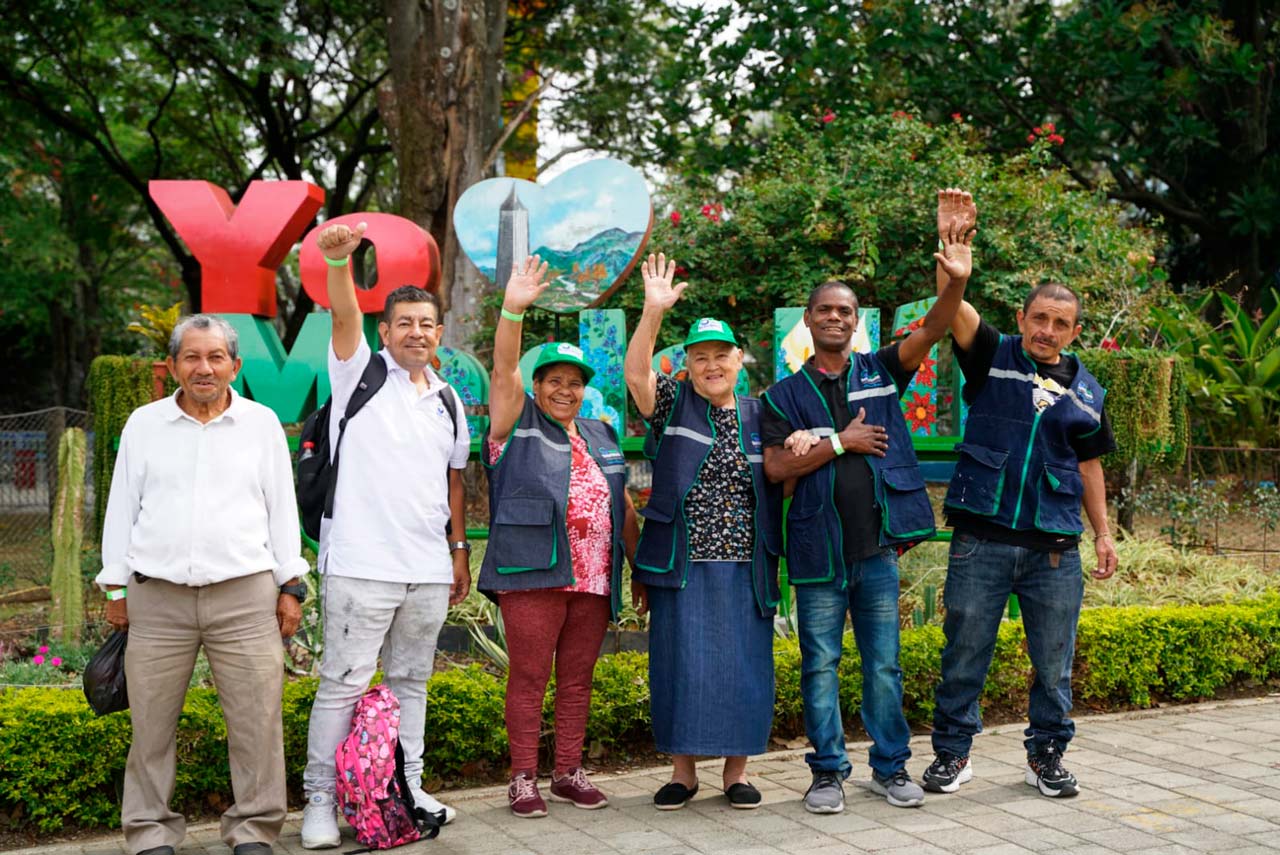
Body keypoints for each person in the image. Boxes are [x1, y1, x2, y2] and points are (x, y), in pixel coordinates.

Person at [760, 194, 975, 814]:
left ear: (857, 323)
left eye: (845, 311)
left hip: (877, 552)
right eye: (825, 309)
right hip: (816, 554)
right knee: (819, 667)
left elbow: (935, 327)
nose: (835, 317)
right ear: (808, 320)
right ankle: (827, 772)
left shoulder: (882, 371)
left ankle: (890, 768)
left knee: (884, 667)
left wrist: (956, 279)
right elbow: (776, 466)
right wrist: (839, 441)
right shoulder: (781, 396)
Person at [923, 190, 1118, 800]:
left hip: (1055, 549)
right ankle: (953, 756)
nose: (1047, 330)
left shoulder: (1088, 393)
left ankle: (1046, 756)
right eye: (1039, 318)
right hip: (981, 541)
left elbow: (1089, 466)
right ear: (1024, 317)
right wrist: (954, 263)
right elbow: (952, 309)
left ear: (1074, 331)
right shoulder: (993, 357)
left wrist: (1104, 533)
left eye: (1061, 323)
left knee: (1054, 665)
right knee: (964, 656)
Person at [98, 314, 307, 855]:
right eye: (191, 357)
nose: (204, 368)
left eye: (215, 357)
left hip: (245, 596)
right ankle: (148, 831)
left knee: (257, 720)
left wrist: (292, 584)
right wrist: (115, 589)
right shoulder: (143, 425)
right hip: (157, 598)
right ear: (172, 367)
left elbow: (281, 508)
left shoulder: (261, 424)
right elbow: (121, 507)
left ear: (235, 365)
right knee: (150, 724)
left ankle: (254, 829)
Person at [301, 222, 471, 848]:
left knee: (410, 685)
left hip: (426, 568)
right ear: (386, 331)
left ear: (439, 333)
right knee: (343, 683)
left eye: (427, 324)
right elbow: (342, 313)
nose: (417, 333)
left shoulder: (449, 401)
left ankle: (405, 786)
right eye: (405, 323)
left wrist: (457, 552)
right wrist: (339, 264)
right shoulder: (358, 378)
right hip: (359, 564)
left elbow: (452, 484)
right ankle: (320, 801)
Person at [479, 254, 639, 818]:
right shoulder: (513, 424)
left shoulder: (600, 432)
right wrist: (513, 310)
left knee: (577, 679)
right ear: (537, 385)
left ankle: (569, 771)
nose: (565, 391)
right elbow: (503, 371)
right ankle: (523, 778)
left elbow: (622, 505)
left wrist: (638, 568)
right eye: (554, 381)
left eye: (574, 383)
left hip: (594, 578)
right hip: (533, 573)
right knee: (528, 677)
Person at [623, 253, 784, 811]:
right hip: (683, 564)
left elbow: (792, 459)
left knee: (744, 664)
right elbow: (637, 375)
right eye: (700, 356)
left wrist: (813, 440)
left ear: (740, 359)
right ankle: (683, 773)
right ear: (687, 363)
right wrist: (652, 312)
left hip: (747, 564)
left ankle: (736, 774)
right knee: (680, 665)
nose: (711, 364)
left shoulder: (762, 413)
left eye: (721, 354)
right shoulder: (673, 403)